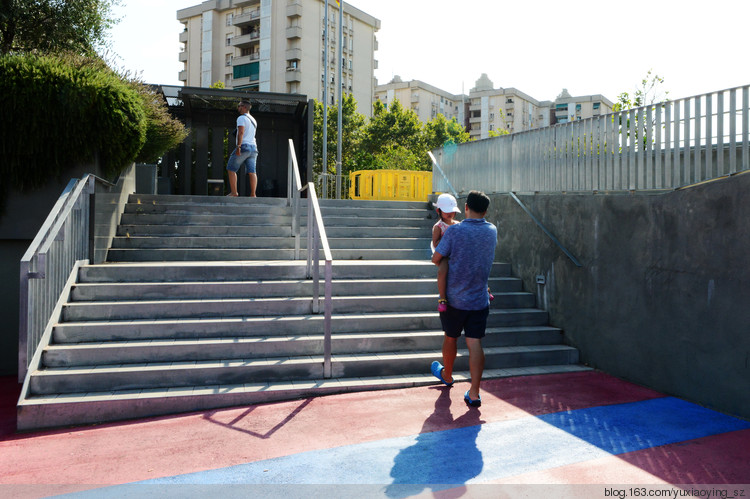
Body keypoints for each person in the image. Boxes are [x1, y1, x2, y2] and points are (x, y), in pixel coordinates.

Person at [430, 190, 497, 408]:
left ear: (466, 207)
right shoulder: (492, 230)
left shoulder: (455, 231)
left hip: (454, 299)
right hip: (479, 299)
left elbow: (436, 258)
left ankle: (447, 376)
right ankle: (475, 393)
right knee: (475, 343)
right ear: (485, 210)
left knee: (451, 337)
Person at [431, 194, 461, 313]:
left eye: (452, 211)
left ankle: (485, 289)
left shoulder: (458, 224)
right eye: (447, 211)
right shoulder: (438, 226)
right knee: (442, 272)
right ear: (439, 211)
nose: (450, 214)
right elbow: (435, 243)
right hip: (445, 255)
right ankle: (443, 298)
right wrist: (447, 237)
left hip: (458, 253)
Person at [226, 100, 259, 197]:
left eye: (239, 106)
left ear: (244, 107)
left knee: (231, 169)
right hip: (253, 148)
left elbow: (241, 132)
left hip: (244, 146)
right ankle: (253, 194)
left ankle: (234, 192)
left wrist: (238, 146)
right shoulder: (253, 120)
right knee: (252, 171)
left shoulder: (241, 118)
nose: (238, 108)